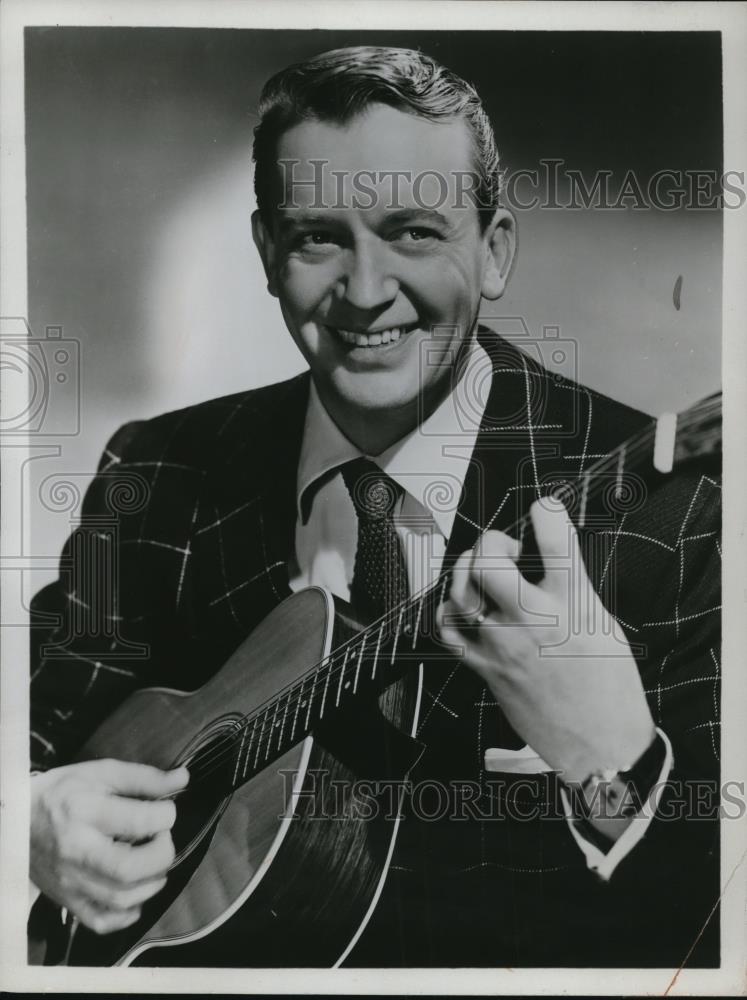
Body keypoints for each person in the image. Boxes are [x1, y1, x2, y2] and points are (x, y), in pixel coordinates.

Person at [29, 46, 721, 967]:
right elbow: (30, 726)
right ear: (267, 253)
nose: (363, 293)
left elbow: (717, 925)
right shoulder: (154, 473)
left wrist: (615, 764)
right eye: (318, 236)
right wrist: (26, 821)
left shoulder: (681, 513)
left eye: (414, 234)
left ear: (495, 250)